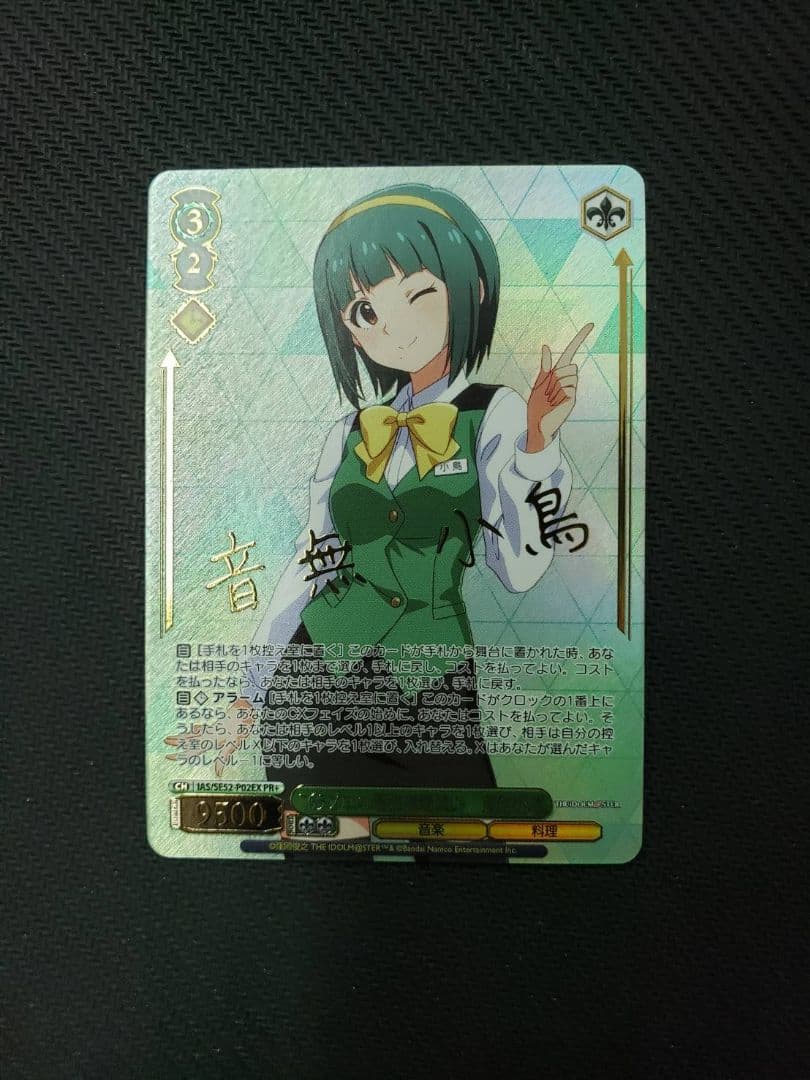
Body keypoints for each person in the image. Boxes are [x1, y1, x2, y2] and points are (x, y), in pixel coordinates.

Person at [204, 184, 591, 788]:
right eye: (365, 311)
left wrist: (538, 444)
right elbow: (312, 563)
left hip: (428, 682)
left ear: (471, 289)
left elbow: (518, 570)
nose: (395, 327)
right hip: (317, 674)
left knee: (457, 830)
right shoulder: (348, 433)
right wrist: (249, 694)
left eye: (418, 294)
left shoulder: (498, 413)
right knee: (328, 834)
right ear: (350, 329)